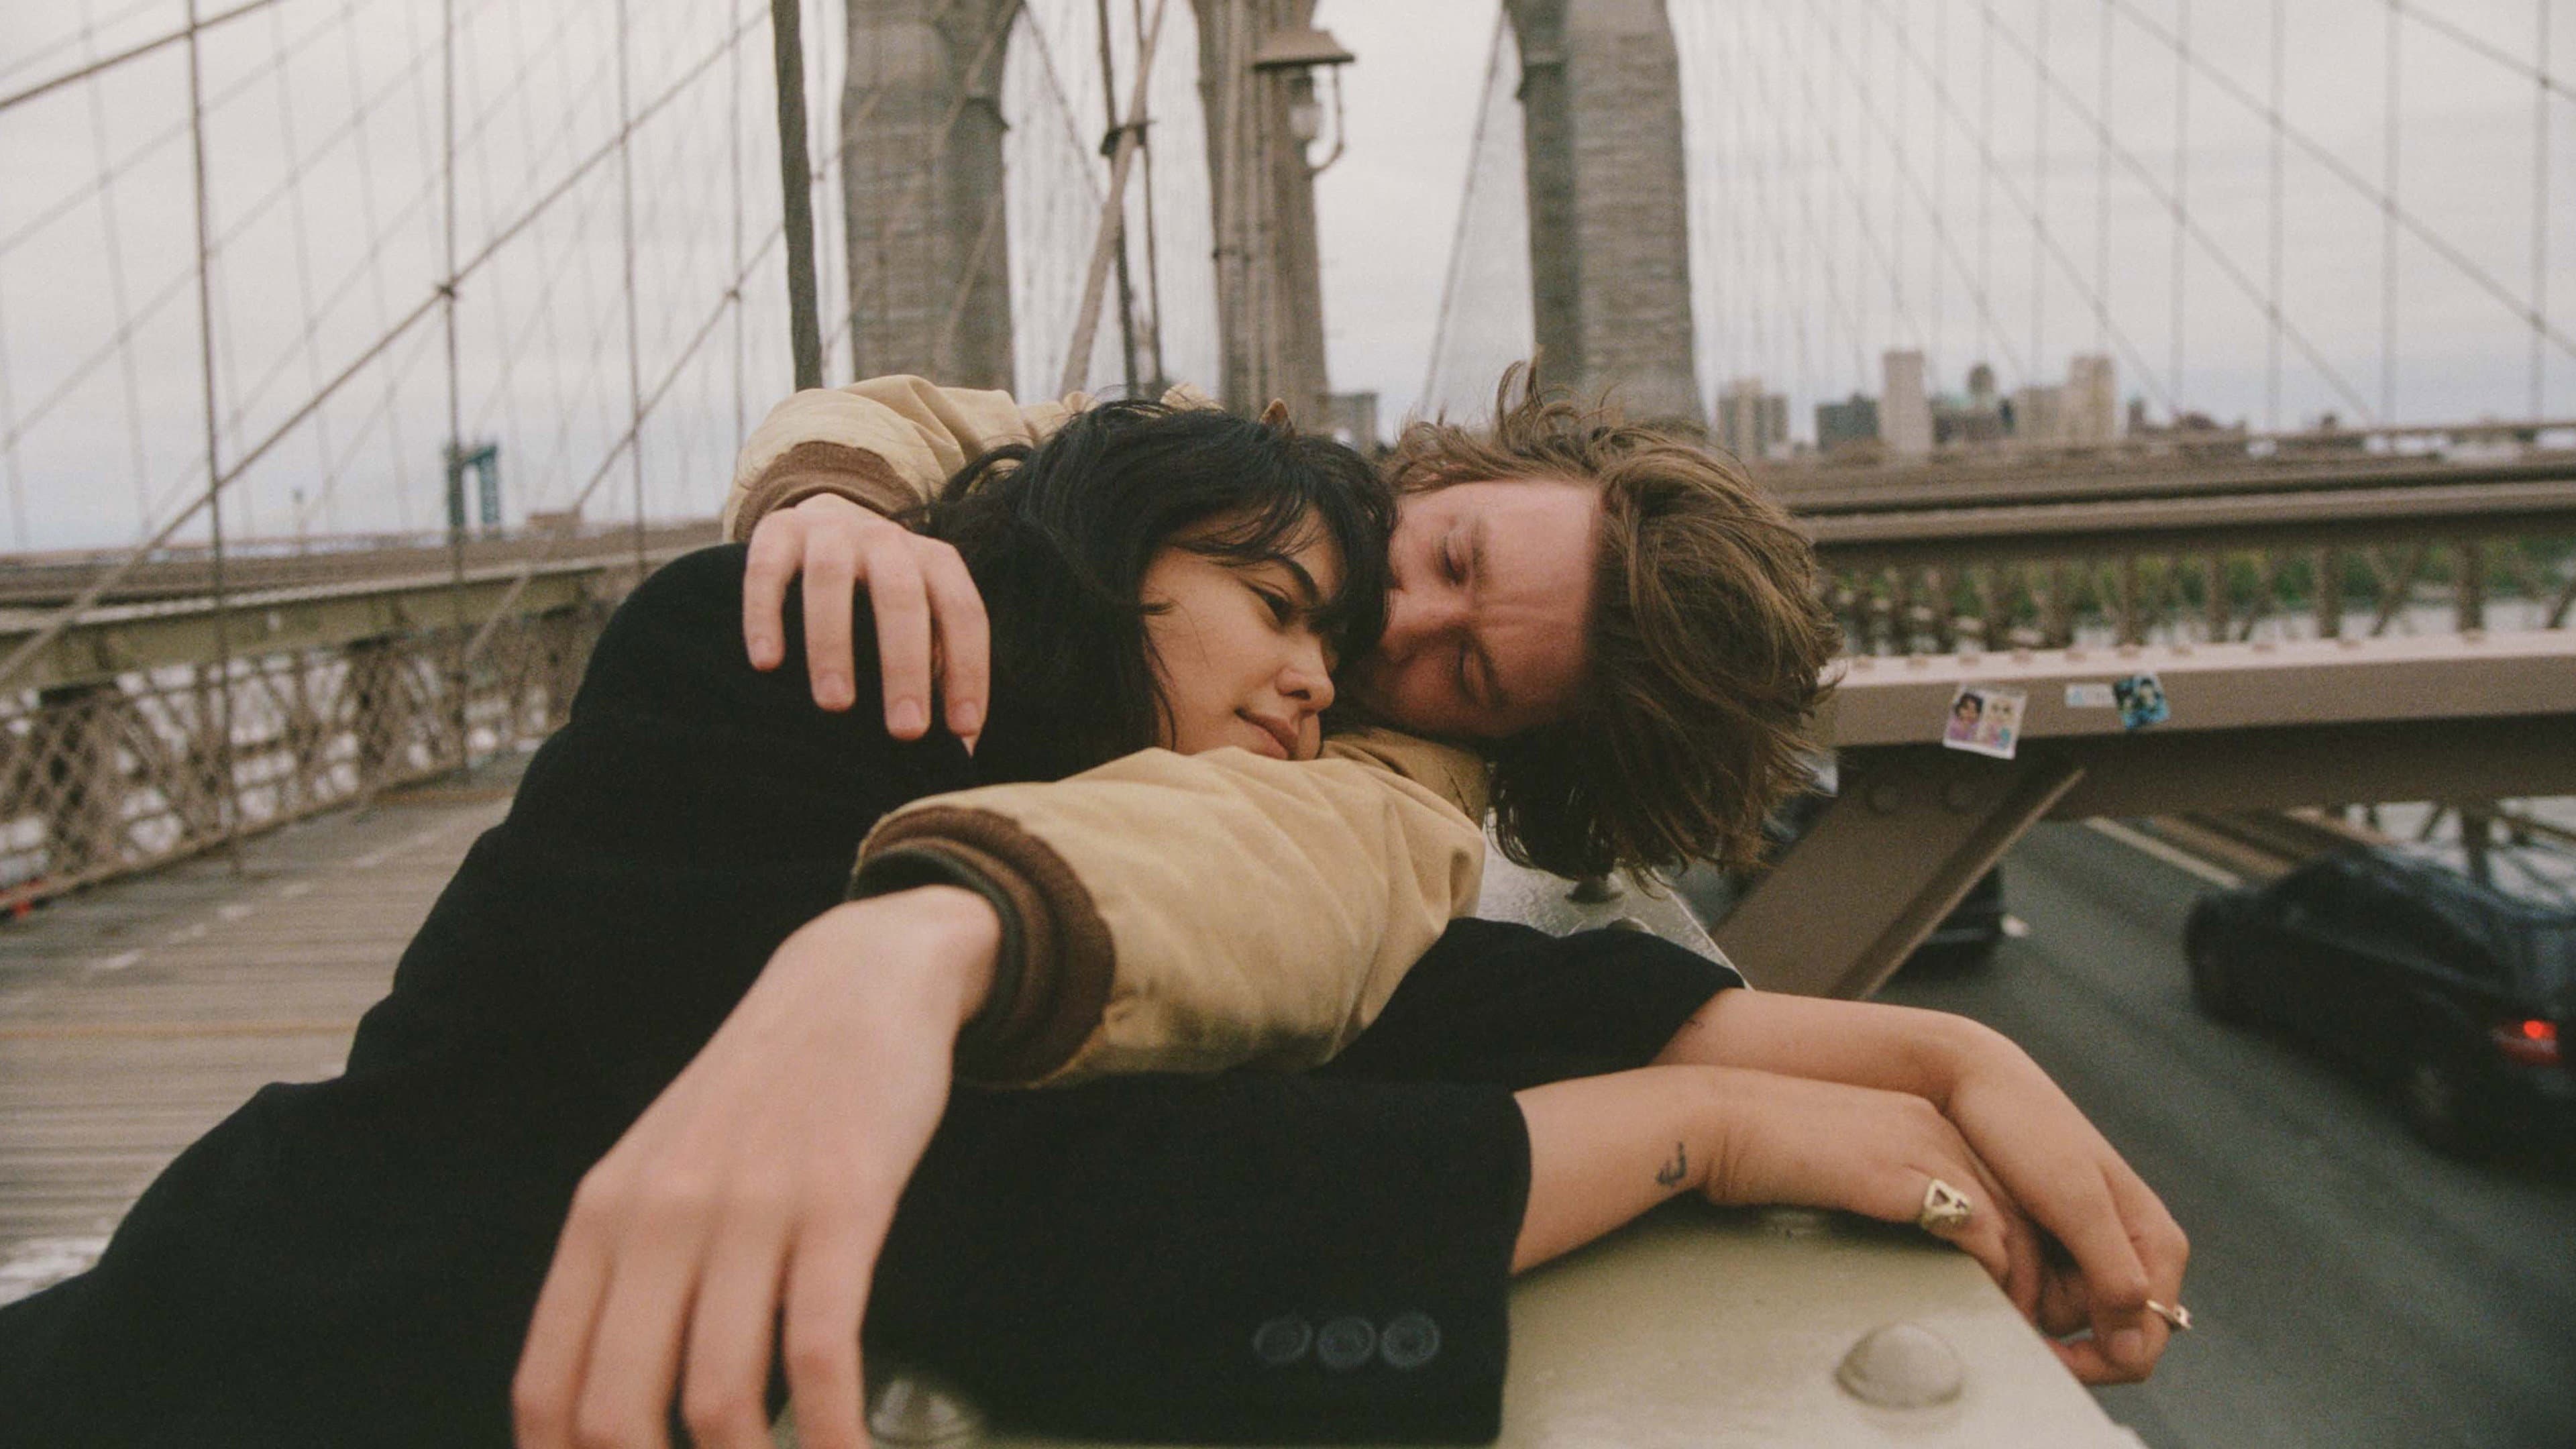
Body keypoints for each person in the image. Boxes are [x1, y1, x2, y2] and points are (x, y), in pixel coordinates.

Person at [0, 403, 2182, 1449]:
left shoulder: (1342, 790)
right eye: (1363, 581)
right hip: (209, 1372)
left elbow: (1395, 973)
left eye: (1450, 668)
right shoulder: (776, 663)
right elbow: (1052, 1228)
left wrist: (1902, 1056)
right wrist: (840, 494)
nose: (1356, 652)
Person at [718, 367, 2189, 1384]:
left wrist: (953, 927)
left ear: (1502, 745)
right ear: (1444, 474)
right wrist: (840, 503)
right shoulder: (1231, 485)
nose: (1397, 623)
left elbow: (1260, 873)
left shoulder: (1397, 803)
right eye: (1453, 554)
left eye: (1470, 673)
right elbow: (949, 424)